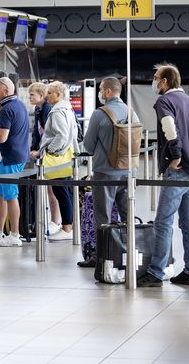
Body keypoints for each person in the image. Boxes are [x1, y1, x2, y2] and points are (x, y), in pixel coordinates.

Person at [138, 64, 189, 287]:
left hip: (178, 170)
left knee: (163, 222)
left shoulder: (165, 101)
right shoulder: (187, 100)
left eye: (156, 78)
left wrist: (175, 155)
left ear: (165, 81)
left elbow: (170, 128)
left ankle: (155, 272)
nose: (154, 81)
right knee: (188, 223)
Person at [79, 77, 138, 267]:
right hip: (128, 171)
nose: (100, 94)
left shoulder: (99, 114)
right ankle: (129, 254)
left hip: (105, 172)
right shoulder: (132, 112)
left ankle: (103, 258)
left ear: (107, 91)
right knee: (127, 215)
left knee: (102, 217)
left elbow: (88, 146)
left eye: (101, 90)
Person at [31, 81, 79, 242]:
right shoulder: (67, 109)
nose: (47, 95)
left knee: (61, 191)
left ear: (59, 95)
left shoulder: (57, 112)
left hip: (58, 157)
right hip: (66, 155)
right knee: (65, 191)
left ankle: (66, 227)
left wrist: (50, 150)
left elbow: (61, 135)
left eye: (50, 93)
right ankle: (68, 225)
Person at [0, 77, 29, 247]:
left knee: (10, 195)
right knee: (1, 194)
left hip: (9, 158)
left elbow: (2, 137)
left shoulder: (6, 109)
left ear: (5, 91)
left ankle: (14, 235)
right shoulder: (20, 105)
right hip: (16, 155)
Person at [28, 82, 61, 233]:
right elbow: (37, 131)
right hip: (42, 152)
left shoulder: (48, 108)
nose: (29, 97)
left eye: (32, 94)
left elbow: (49, 133)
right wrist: (34, 148)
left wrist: (42, 151)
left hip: (51, 153)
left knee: (52, 188)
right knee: (48, 188)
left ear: (41, 95)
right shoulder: (38, 109)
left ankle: (56, 221)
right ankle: (53, 220)